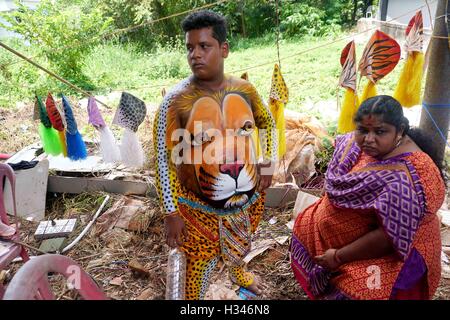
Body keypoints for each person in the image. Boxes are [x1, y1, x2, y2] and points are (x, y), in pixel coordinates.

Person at [153, 10, 277, 300]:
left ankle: (237, 272)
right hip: (197, 208)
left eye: (204, 46)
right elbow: (164, 158)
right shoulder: (175, 102)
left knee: (239, 244)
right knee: (199, 266)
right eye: (190, 48)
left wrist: (268, 162)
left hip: (245, 197)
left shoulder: (245, 89)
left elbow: (267, 123)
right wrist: (171, 212)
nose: (195, 54)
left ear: (224, 49)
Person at [290, 95, 446, 300]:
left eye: (380, 132)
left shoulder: (412, 177)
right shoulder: (362, 146)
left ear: (399, 131)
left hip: (391, 254)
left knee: (357, 291)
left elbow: (388, 237)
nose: (369, 139)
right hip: (338, 243)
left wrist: (338, 256)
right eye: (363, 130)